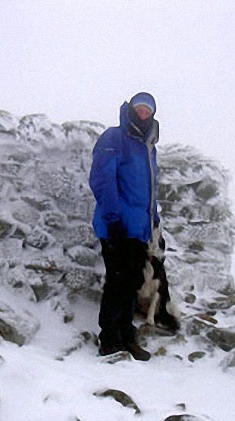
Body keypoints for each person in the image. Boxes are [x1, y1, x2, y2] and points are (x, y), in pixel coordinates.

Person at [89, 92, 160, 361]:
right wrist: (113, 217)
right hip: (117, 224)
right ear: (131, 110)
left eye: (148, 111)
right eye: (139, 109)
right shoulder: (114, 138)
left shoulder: (148, 148)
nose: (143, 114)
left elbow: (150, 188)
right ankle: (109, 339)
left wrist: (154, 219)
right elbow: (102, 178)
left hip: (139, 228)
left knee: (131, 283)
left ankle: (127, 336)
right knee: (117, 282)